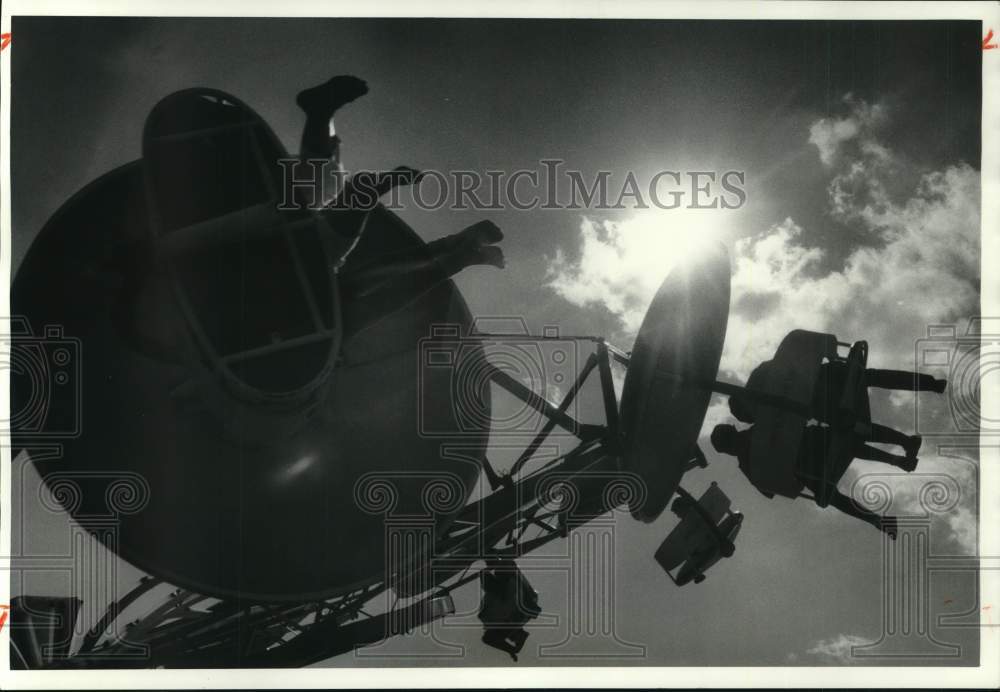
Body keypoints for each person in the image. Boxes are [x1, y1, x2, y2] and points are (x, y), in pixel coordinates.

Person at [292, 74, 506, 339]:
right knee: (361, 286)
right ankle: (457, 252)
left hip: (297, 295)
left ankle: (322, 117)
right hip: (299, 309)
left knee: (316, 218)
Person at [728, 357, 942, 461]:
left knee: (854, 432)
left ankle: (905, 441)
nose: (754, 418)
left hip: (832, 400)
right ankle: (931, 383)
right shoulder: (760, 372)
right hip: (834, 373)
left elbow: (797, 422)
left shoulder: (767, 409)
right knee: (871, 377)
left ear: (745, 406)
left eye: (749, 416)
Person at [710, 423, 903, 538]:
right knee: (845, 444)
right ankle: (894, 460)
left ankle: (877, 520)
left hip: (810, 466)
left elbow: (769, 491)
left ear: (727, 449)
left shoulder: (746, 462)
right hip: (813, 446)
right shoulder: (760, 426)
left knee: (829, 496)